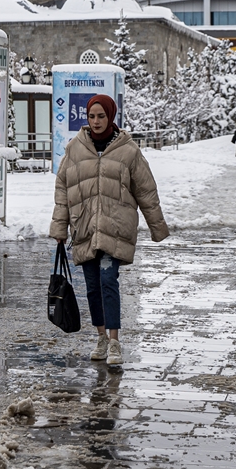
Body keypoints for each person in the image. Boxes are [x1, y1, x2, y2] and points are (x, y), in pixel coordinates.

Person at [50, 94, 169, 367]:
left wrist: (157, 227)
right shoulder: (74, 149)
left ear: (111, 116)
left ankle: (114, 341)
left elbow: (146, 190)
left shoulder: (128, 151)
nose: (96, 121)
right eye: (91, 116)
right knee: (92, 287)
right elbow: (62, 191)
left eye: (101, 116)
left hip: (115, 227)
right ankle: (101, 337)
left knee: (107, 282)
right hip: (85, 227)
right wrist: (60, 227)